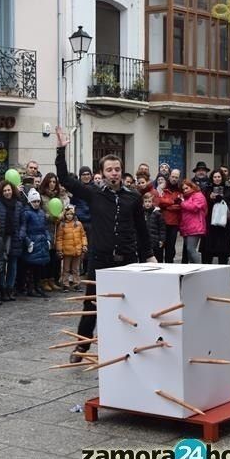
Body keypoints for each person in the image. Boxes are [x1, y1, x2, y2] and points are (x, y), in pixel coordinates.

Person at [55, 126, 155, 362]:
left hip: (128, 259)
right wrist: (61, 150)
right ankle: (82, 346)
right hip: (100, 259)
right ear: (102, 172)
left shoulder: (133, 197)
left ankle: (131, 344)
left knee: (130, 303)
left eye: (117, 169)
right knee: (92, 303)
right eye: (109, 170)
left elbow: (142, 229)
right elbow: (65, 179)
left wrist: (149, 255)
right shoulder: (93, 194)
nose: (114, 173)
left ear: (122, 172)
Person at [0, 180, 24, 301]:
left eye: (8, 190)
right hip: (1, 239)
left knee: (13, 265)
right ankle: (2, 289)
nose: (7, 192)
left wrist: (21, 233)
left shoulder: (18, 204)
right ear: (1, 192)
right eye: (4, 191)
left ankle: (10, 288)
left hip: (15, 237)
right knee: (1, 265)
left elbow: (22, 222)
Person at [39, 173, 69, 291]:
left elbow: (62, 209)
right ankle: (44, 280)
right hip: (46, 228)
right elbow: (41, 211)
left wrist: (60, 216)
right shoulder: (42, 197)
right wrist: (50, 217)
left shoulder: (58, 197)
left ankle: (52, 279)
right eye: (50, 182)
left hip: (58, 227)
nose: (52, 184)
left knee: (55, 256)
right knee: (47, 255)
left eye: (54, 182)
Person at [199, 170, 230, 265]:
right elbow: (203, 202)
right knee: (208, 249)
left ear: (222, 177)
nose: (217, 179)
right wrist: (210, 198)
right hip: (210, 222)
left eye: (219, 177)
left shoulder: (228, 188)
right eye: (215, 177)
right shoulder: (207, 189)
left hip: (223, 222)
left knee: (222, 250)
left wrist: (222, 198)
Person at [20, 188, 51, 298]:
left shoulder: (42, 213)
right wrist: (28, 242)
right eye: (34, 201)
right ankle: (30, 288)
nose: (36, 203)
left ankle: (38, 287)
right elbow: (23, 230)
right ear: (30, 202)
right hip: (33, 242)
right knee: (31, 268)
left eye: (38, 201)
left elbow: (45, 228)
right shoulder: (26, 213)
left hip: (41, 242)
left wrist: (48, 239)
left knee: (39, 268)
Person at [56, 205, 87, 292]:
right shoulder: (62, 225)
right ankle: (65, 284)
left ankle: (76, 283)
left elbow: (83, 235)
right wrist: (59, 249)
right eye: (67, 214)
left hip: (77, 250)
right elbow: (59, 238)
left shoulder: (78, 224)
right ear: (65, 215)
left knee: (76, 269)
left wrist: (84, 245)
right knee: (66, 269)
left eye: (71, 214)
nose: (69, 216)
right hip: (67, 250)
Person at [179, 179, 207, 264]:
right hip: (187, 227)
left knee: (191, 249)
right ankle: (194, 269)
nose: (185, 190)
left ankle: (200, 269)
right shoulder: (186, 197)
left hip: (195, 226)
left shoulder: (198, 195)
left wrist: (183, 202)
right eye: (183, 189)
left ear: (192, 186)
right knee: (189, 251)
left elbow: (195, 207)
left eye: (186, 188)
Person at [157, 169, 182, 264]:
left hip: (174, 223)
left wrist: (167, 206)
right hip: (162, 222)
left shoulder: (180, 190)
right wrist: (172, 202)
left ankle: (169, 266)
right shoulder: (162, 187)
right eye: (173, 176)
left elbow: (180, 206)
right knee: (160, 246)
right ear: (169, 176)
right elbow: (160, 202)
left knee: (170, 248)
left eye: (176, 177)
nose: (174, 179)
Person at [143, 193, 165, 263]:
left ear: (152, 202)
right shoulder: (141, 213)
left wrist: (162, 239)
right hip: (145, 241)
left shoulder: (157, 214)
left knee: (157, 258)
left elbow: (162, 228)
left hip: (155, 240)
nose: (147, 204)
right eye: (146, 202)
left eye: (149, 202)